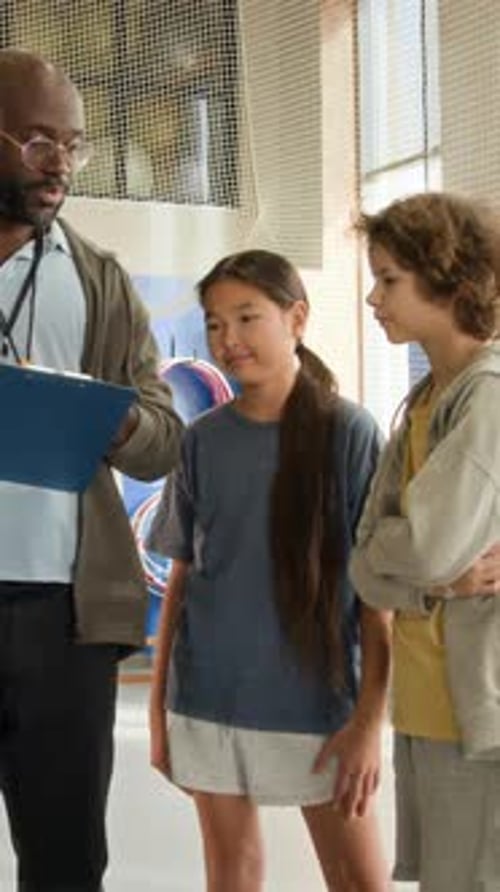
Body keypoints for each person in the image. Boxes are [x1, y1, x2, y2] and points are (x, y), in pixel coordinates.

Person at [148, 248, 391, 892]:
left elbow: (378, 596)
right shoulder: (200, 439)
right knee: (231, 875)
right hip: (209, 698)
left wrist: (369, 722)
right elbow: (181, 581)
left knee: (360, 881)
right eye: (214, 323)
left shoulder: (350, 432)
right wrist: (159, 713)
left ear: (296, 319)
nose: (228, 339)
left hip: (321, 704)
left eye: (247, 317)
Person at [0, 48, 183, 892]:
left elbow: (163, 437)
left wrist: (111, 418)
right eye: (38, 141)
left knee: (67, 861)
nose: (60, 165)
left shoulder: (101, 279)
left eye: (74, 146)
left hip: (63, 619)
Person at [350, 191, 500, 892]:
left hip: (476, 712)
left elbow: (428, 547)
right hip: (428, 708)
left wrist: (406, 562)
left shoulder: (487, 395)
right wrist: (428, 580)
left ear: (448, 278)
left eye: (389, 279)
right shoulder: (424, 400)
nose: (373, 298)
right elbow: (364, 566)